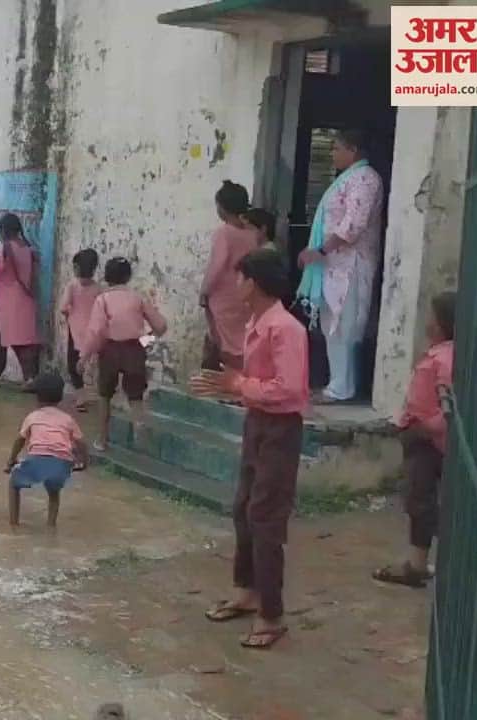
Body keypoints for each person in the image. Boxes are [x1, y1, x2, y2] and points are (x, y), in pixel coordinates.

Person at [192, 247, 309, 651]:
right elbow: (254, 378)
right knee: (244, 507)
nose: (236, 285)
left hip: (279, 428)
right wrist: (232, 380)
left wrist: (237, 385)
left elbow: (290, 388)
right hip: (257, 422)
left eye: (241, 278)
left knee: (266, 516)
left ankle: (272, 614)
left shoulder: (285, 328)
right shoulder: (257, 322)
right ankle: (247, 591)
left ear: (254, 283)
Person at [373, 291, 456, 588]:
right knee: (421, 500)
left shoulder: (444, 358)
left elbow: (449, 407)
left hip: (427, 442)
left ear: (442, 322)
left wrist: (426, 428)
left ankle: (418, 565)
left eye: (432, 316)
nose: (427, 321)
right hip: (424, 437)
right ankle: (419, 562)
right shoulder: (442, 353)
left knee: (421, 501)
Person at [296, 129, 384, 403]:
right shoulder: (349, 179)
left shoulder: (365, 179)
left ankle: (341, 388)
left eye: (337, 148)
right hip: (334, 265)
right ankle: (336, 384)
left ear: (353, 150)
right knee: (332, 323)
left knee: (344, 325)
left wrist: (319, 250)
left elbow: (353, 226)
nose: (332, 154)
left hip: (350, 264)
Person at [83, 257, 168, 452]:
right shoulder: (138, 298)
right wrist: (145, 342)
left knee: (104, 395)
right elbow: (161, 326)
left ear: (106, 277)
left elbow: (96, 331)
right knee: (135, 396)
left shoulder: (102, 300)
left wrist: (84, 356)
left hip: (110, 349)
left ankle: (102, 440)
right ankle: (140, 434)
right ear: (128, 276)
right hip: (134, 349)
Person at [3, 372, 89, 528]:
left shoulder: (32, 417)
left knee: (13, 484)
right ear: (61, 397)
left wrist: (11, 460)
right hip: (61, 465)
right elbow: (81, 443)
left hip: (37, 461)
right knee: (54, 492)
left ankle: (13, 524)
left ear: (36, 397)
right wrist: (84, 461)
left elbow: (19, 441)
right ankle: (51, 526)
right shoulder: (67, 419)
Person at [201, 181, 261, 371]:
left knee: (224, 343)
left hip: (223, 297)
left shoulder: (224, 233)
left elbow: (218, 264)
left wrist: (205, 290)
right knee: (243, 340)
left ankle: (230, 382)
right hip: (246, 296)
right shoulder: (253, 235)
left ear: (223, 208)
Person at [0, 213, 42, 389]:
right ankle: (30, 377)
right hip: (26, 300)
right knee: (24, 342)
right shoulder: (28, 249)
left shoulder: (4, 249)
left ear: (4, 230)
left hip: (7, 301)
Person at [60, 249, 102, 411]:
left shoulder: (72, 286)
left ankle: (81, 397)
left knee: (73, 364)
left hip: (75, 331)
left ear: (76, 267)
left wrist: (70, 314)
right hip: (93, 332)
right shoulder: (99, 288)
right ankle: (95, 394)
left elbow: (64, 308)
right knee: (92, 362)